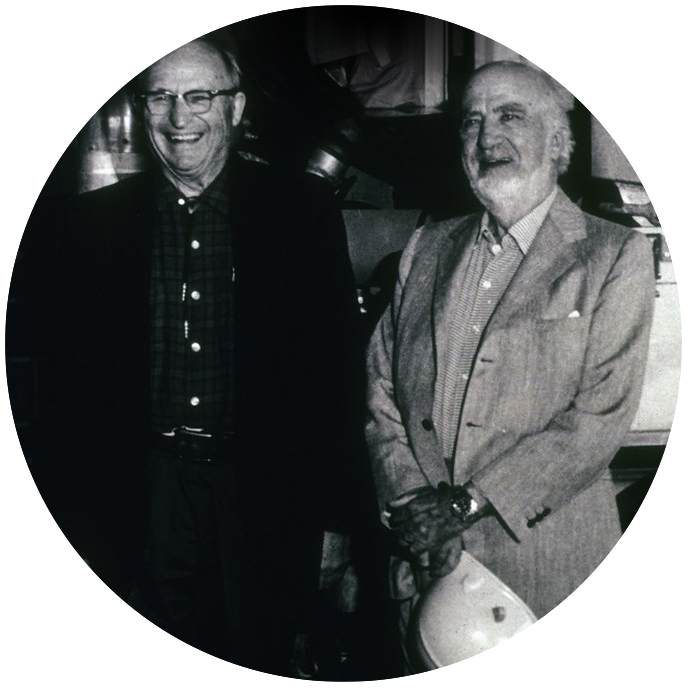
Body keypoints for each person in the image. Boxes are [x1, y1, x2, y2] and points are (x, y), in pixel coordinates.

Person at [42, 39, 363, 681]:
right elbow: (68, 395)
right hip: (141, 497)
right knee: (144, 668)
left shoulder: (301, 213)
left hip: (262, 496)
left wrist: (335, 522)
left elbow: (337, 380)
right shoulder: (91, 226)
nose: (179, 117)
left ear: (235, 107)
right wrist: (69, 540)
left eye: (199, 97)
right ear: (142, 109)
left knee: (257, 668)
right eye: (160, 97)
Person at [365, 61, 655, 682]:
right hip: (429, 572)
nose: (486, 136)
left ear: (557, 141)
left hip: (553, 586)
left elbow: (597, 419)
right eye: (471, 121)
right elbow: (381, 391)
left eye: (509, 116)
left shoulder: (614, 254)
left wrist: (462, 506)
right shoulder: (426, 247)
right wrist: (416, 509)